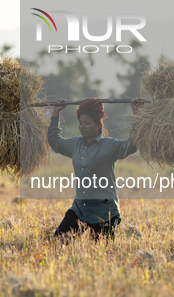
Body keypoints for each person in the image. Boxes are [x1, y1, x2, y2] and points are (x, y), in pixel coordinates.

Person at [48, 97, 144, 241]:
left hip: (104, 211)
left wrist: (138, 115)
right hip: (81, 208)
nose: (82, 126)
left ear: (98, 125)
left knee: (102, 253)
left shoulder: (109, 145)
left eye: (87, 123)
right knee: (58, 242)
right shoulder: (75, 144)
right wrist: (56, 112)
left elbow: (131, 145)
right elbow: (55, 142)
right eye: (80, 123)